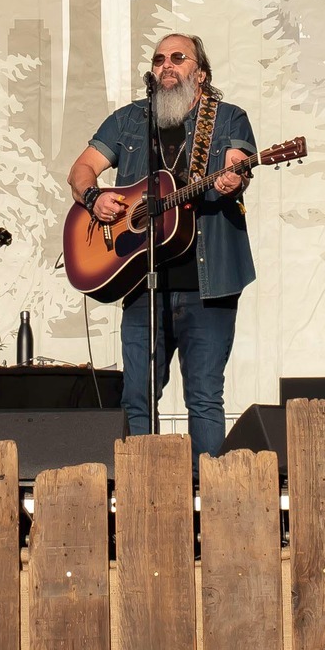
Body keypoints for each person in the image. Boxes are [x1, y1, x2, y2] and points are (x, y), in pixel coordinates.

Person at [66, 33, 254, 456]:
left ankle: (208, 497)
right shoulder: (129, 120)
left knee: (203, 398)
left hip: (210, 284)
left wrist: (231, 180)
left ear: (200, 73)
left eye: (178, 58)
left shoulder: (227, 119)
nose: (166, 65)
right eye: (158, 59)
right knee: (137, 399)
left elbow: (234, 169)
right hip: (140, 280)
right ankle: (142, 494)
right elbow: (81, 170)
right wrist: (94, 199)